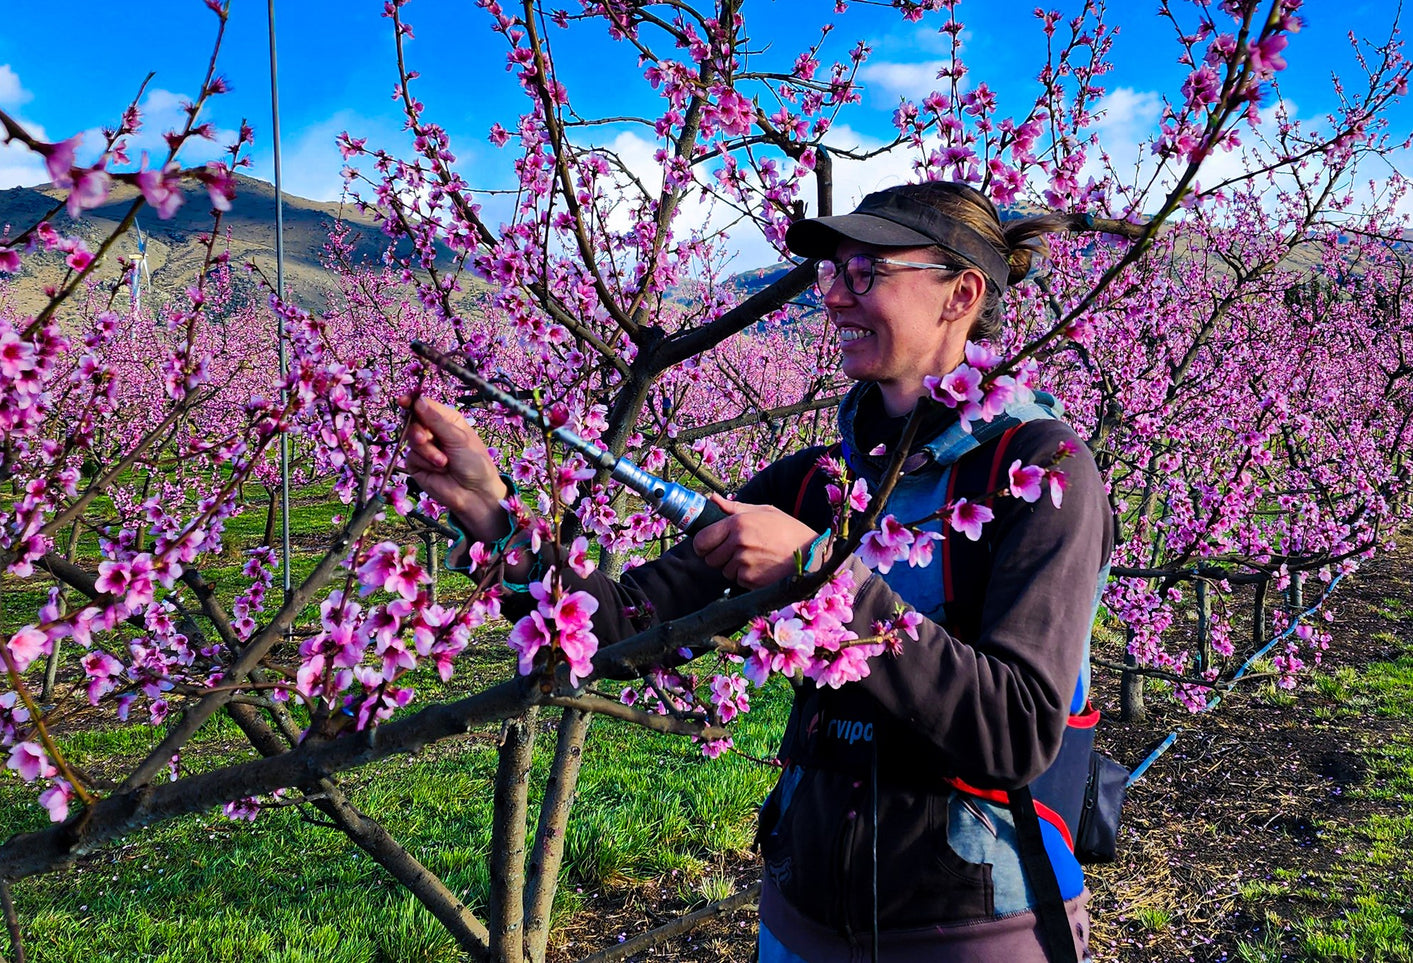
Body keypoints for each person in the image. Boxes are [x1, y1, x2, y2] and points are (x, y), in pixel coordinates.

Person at [405, 181, 1113, 962]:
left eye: (865, 273)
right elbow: (623, 624)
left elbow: (1015, 729)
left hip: (975, 926)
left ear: (961, 293)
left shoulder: (1042, 471)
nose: (835, 299)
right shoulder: (812, 484)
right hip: (798, 916)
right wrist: (493, 516)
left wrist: (818, 576)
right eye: (832, 274)